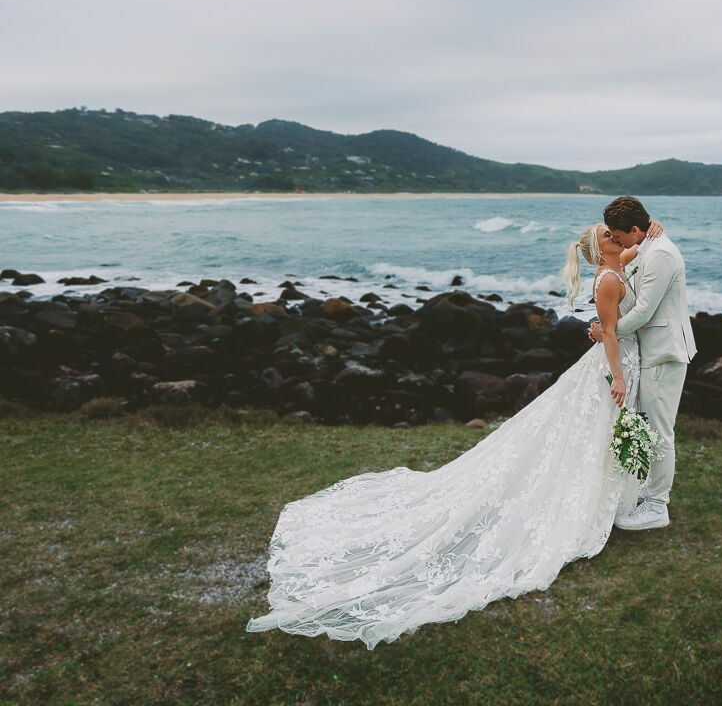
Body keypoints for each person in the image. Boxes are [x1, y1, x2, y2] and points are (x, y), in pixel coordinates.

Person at [245, 222, 654, 648]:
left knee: (590, 433)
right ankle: (588, 500)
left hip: (619, 360)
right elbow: (608, 330)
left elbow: (639, 253)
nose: (617, 236)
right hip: (613, 366)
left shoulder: (621, 262)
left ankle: (604, 494)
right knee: (586, 430)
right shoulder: (608, 276)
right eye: (609, 235)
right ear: (599, 249)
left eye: (617, 233)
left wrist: (653, 233)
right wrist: (618, 376)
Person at [588, 196, 696, 531]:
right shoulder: (648, 244)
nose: (616, 240)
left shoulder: (661, 253)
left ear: (635, 228)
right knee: (650, 425)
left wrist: (606, 331)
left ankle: (657, 506)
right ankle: (649, 490)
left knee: (661, 431)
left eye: (619, 234)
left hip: (664, 351)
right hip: (650, 351)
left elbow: (645, 311)